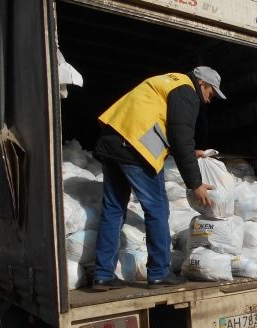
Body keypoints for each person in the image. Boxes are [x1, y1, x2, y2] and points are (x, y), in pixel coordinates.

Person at [91, 66, 226, 290]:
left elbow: (158, 124)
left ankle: (103, 275)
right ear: (202, 83)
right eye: (211, 93)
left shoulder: (169, 81)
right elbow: (181, 137)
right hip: (135, 149)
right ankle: (159, 273)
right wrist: (195, 184)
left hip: (114, 141)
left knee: (113, 209)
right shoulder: (187, 91)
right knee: (157, 209)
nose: (209, 99)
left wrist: (189, 152)